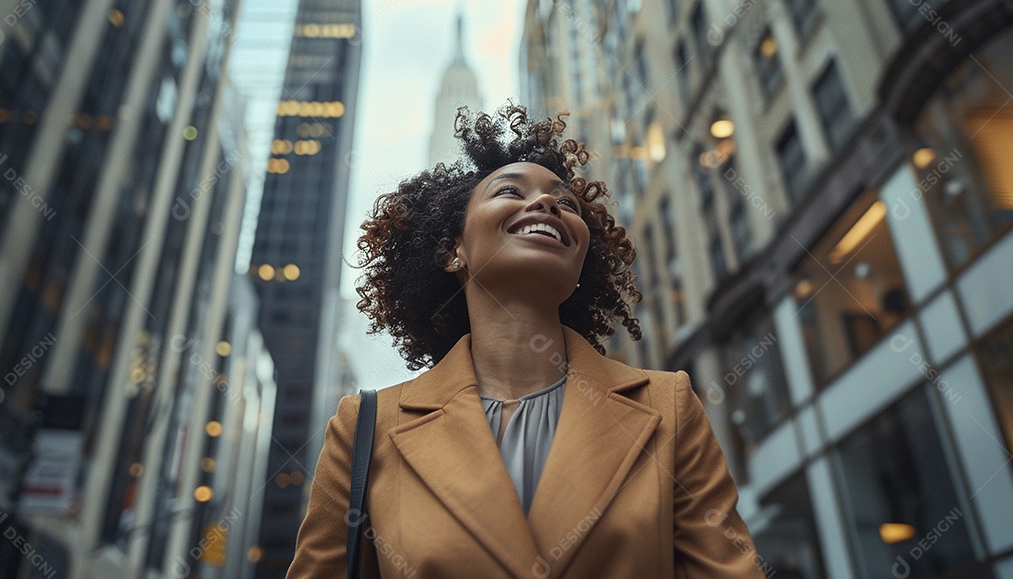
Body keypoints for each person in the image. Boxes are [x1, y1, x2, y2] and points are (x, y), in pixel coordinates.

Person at [286, 103, 764, 578]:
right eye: (510, 190)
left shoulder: (670, 408)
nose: (548, 204)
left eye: (568, 203)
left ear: (582, 260)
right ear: (453, 251)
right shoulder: (364, 429)